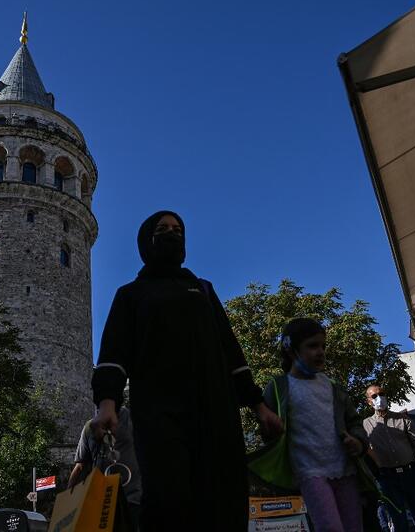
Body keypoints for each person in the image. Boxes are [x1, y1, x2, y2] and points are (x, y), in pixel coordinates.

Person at [90, 210, 283, 532]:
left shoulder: (203, 289)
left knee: (224, 496)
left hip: (216, 409)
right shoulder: (131, 294)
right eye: (162, 229)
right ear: (146, 240)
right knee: (168, 497)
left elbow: (231, 351)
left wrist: (259, 406)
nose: (172, 234)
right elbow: (114, 352)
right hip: (159, 412)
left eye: (178, 230)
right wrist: (106, 403)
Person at [262, 317, 367, 532]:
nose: (320, 351)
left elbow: (354, 421)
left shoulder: (332, 386)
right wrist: (271, 430)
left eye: (323, 346)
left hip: (344, 469)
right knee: (330, 527)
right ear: (291, 350)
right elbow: (266, 429)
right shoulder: (278, 387)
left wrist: (358, 441)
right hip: (309, 472)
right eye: (312, 346)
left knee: (354, 527)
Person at [363, 384, 415, 532]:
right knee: (398, 522)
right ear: (369, 401)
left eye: (381, 394)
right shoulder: (365, 425)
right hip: (387, 478)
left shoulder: (403, 419)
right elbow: (365, 453)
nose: (379, 398)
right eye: (374, 396)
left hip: (412, 474)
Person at [68, 405, 142, 528]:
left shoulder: (133, 420)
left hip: (132, 501)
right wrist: (68, 500)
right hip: (102, 504)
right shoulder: (89, 428)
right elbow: (80, 467)